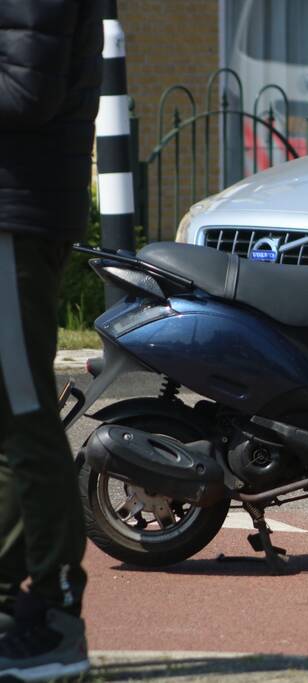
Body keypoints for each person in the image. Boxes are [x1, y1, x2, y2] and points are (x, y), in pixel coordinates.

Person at [0, 0, 102, 679]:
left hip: (15, 214)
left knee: (24, 408)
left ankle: (56, 610)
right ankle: (13, 607)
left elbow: (27, 90)